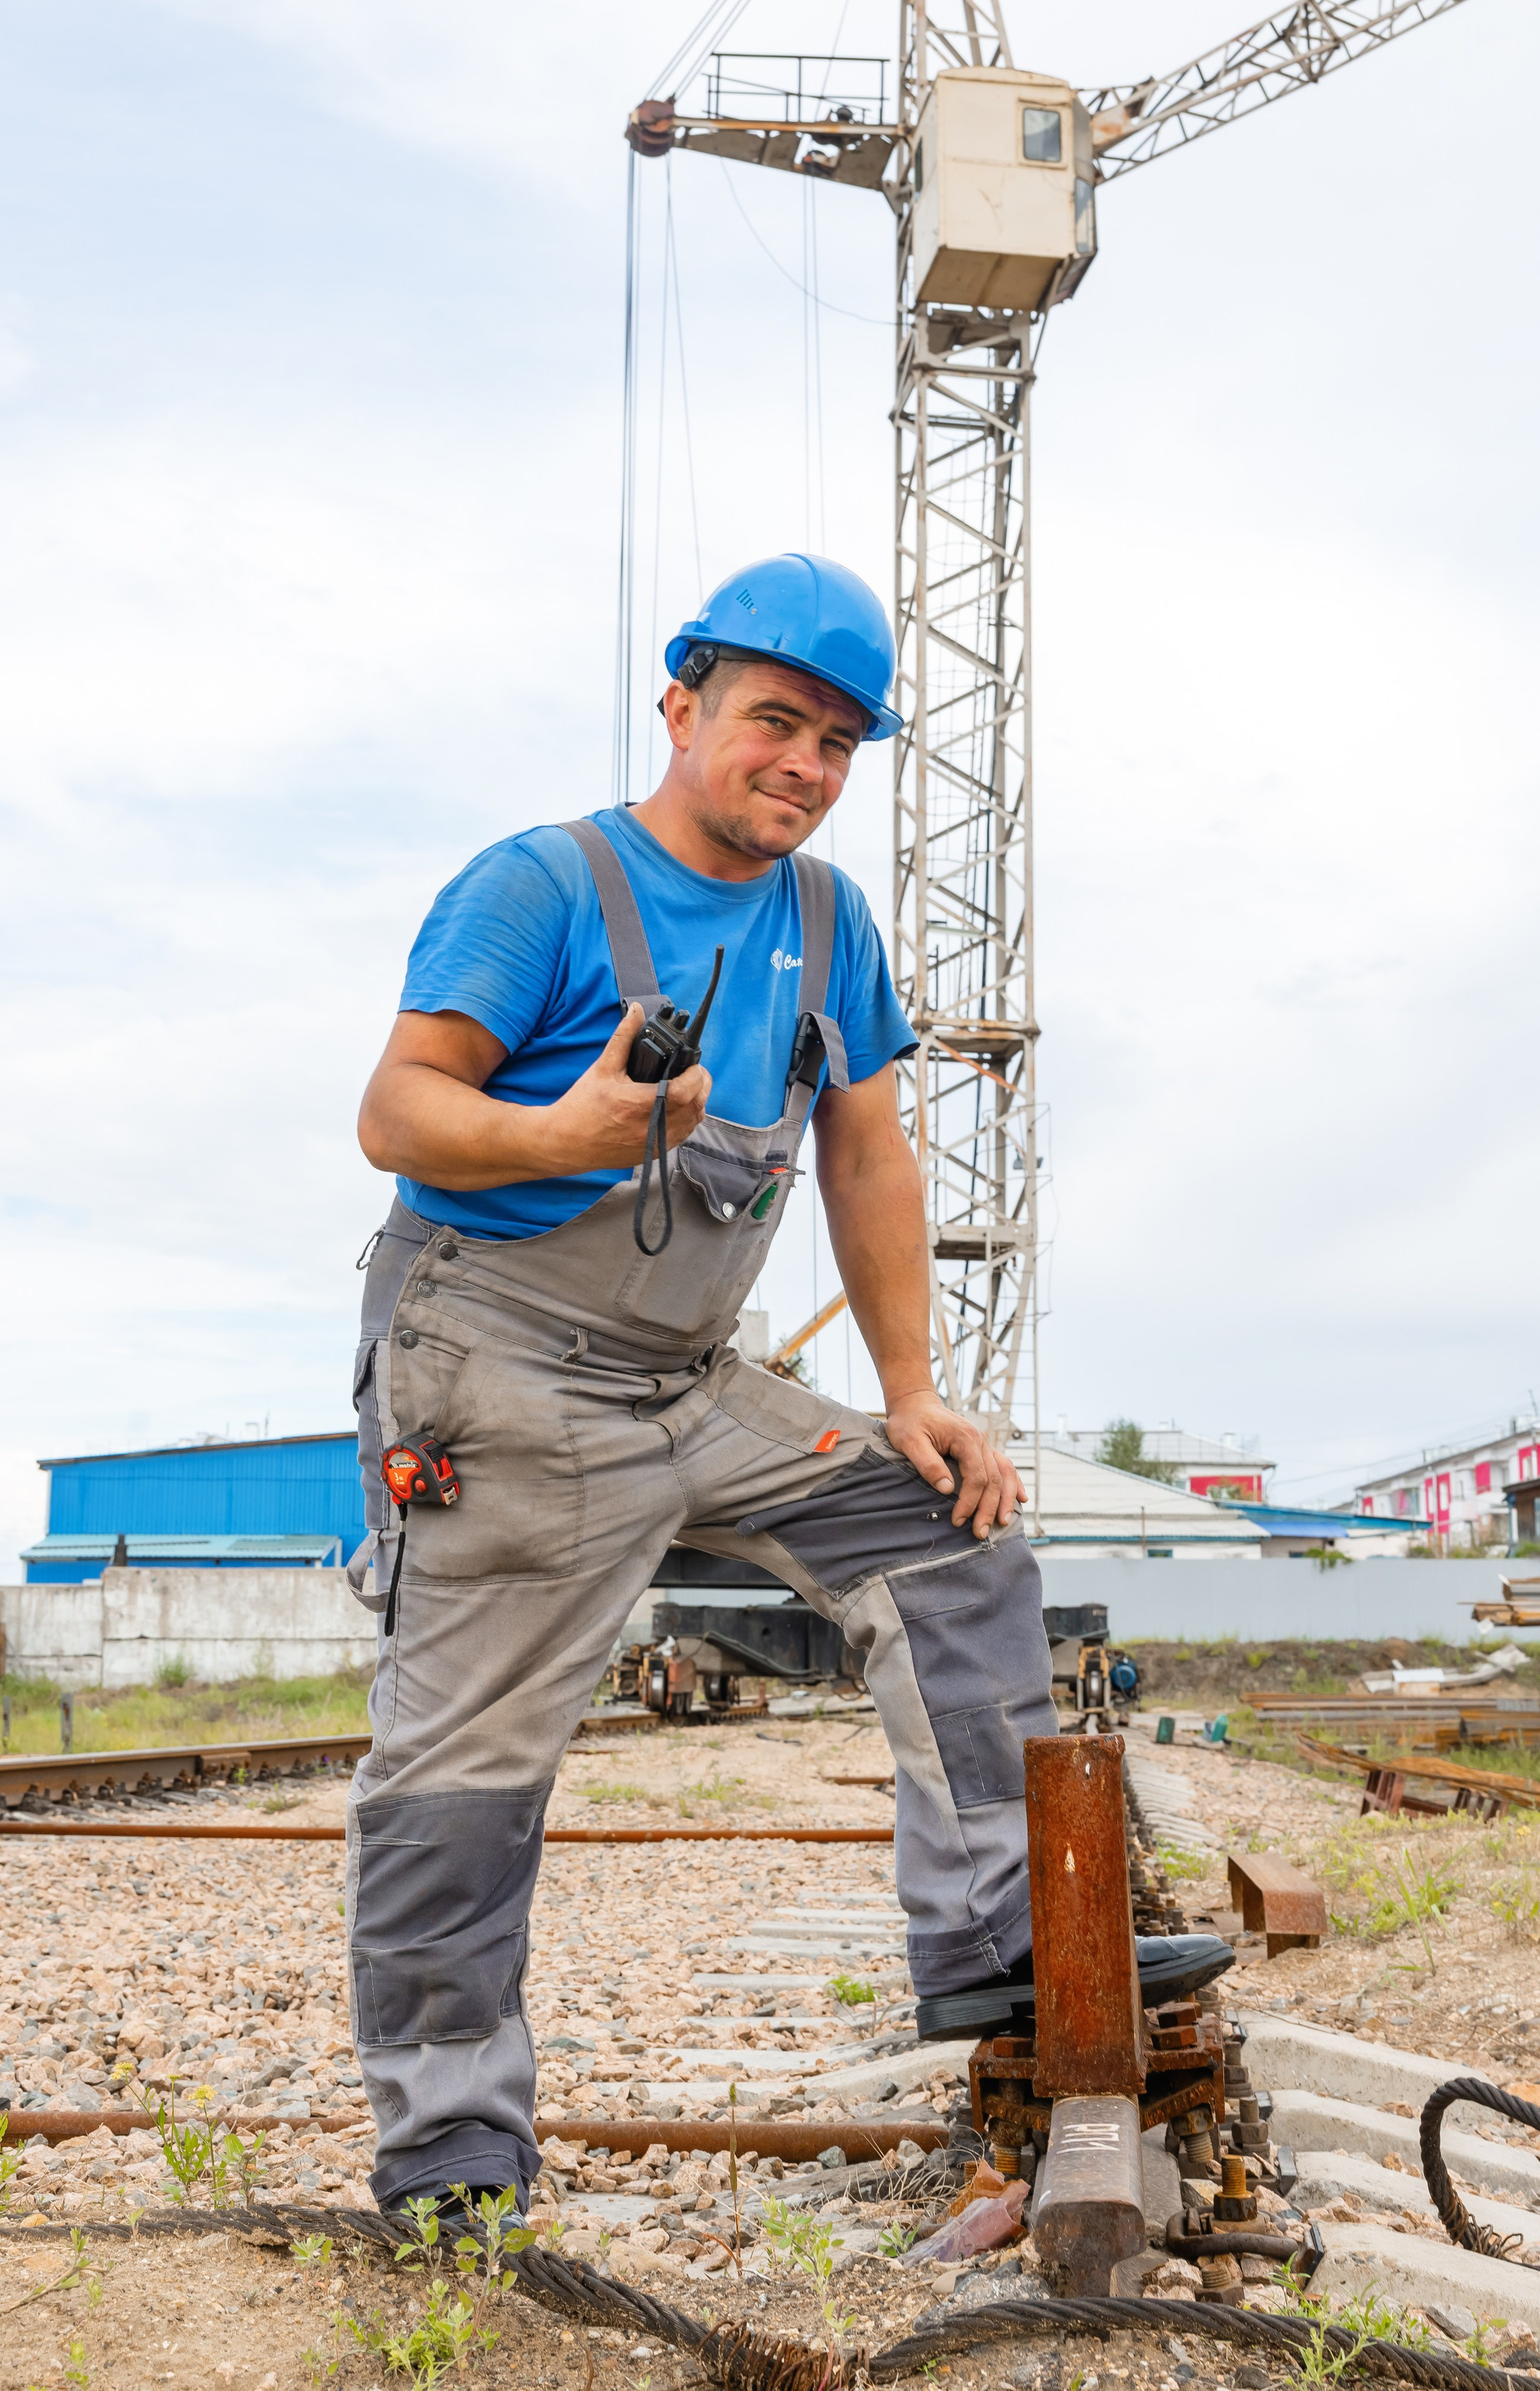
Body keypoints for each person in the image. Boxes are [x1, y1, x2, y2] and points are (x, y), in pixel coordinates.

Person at [345, 551, 1228, 2219]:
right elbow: (399, 1112)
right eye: (773, 722)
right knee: (465, 1760)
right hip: (504, 1367)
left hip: (690, 1376)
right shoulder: (540, 885)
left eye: (836, 741)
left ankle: (997, 1941)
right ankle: (451, 2143)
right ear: (681, 708)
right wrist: (560, 1135)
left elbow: (870, 1155)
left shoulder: (828, 923)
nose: (805, 767)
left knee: (946, 1526)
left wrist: (915, 1388)